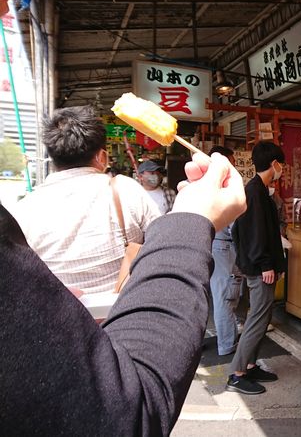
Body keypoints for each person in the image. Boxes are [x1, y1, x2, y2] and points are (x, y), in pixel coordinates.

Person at [0, 152, 246, 435]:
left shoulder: (27, 205)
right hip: (128, 308)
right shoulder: (124, 189)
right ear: (101, 155)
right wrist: (193, 219)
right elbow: (127, 411)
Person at [10, 106, 160, 295]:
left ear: (52, 157)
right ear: (102, 157)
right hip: (124, 314)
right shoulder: (126, 189)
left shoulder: (24, 209)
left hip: (58, 318)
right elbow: (162, 243)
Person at [228, 141, 286, 395]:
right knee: (257, 319)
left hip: (260, 265)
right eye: (281, 164)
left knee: (261, 318)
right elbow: (255, 234)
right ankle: (237, 373)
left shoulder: (259, 190)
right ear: (274, 164)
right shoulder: (254, 192)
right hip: (259, 267)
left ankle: (250, 364)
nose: (282, 169)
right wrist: (265, 264)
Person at [207, 146, 240, 356]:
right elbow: (234, 226)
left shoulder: (206, 184)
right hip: (224, 245)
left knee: (224, 294)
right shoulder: (221, 187)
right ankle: (227, 344)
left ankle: (228, 339)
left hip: (216, 244)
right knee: (225, 296)